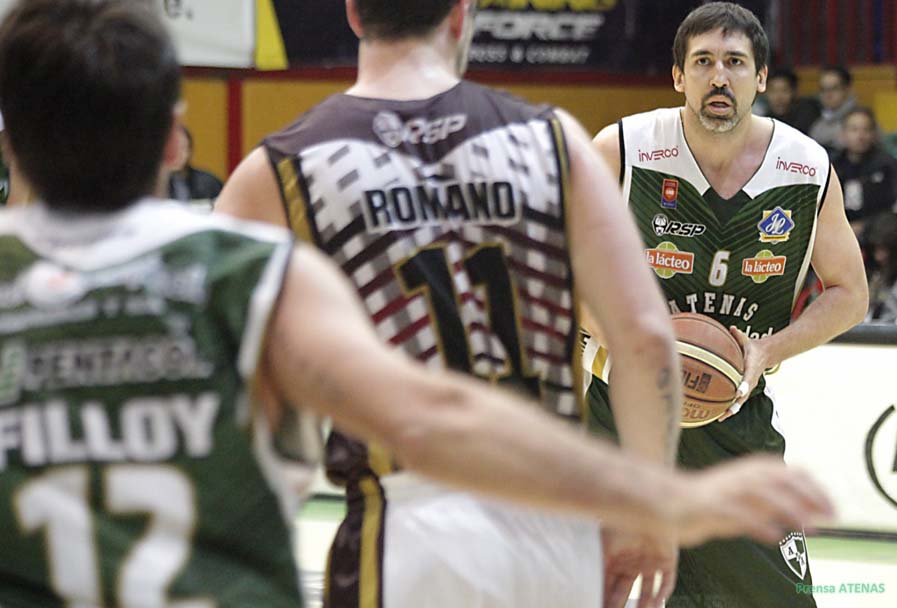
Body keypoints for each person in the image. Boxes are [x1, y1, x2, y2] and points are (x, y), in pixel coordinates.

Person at [0, 2, 834, 608]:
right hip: (555, 520)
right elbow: (644, 340)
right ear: (463, 15)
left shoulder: (282, 170)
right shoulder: (556, 144)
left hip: (402, 525)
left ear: (352, 14)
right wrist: (656, 501)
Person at [589, 3, 867, 607]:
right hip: (615, 413)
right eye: (704, 62)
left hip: (729, 416)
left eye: (736, 63)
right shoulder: (623, 150)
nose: (720, 77)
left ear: (761, 77)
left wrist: (768, 349)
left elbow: (851, 294)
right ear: (678, 76)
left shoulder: (805, 168)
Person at [832, 106, 897, 238]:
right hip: (839, 227)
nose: (860, 136)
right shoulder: (833, 164)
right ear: (843, 134)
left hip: (876, 228)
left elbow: (891, 206)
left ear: (874, 134)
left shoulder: (886, 164)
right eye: (854, 130)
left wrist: (864, 226)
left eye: (866, 130)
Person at [167, 124, 223, 204]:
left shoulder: (209, 183)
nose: (177, 154)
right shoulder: (153, 185)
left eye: (182, 148)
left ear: (189, 151)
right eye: (171, 149)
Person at [809, 65, 857, 155]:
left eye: (834, 89)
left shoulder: (861, 119)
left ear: (847, 89)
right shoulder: (817, 123)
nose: (828, 95)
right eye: (823, 90)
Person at [760, 67, 819, 135]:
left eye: (784, 90)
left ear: (794, 92)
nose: (778, 97)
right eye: (773, 91)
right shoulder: (765, 120)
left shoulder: (808, 114)